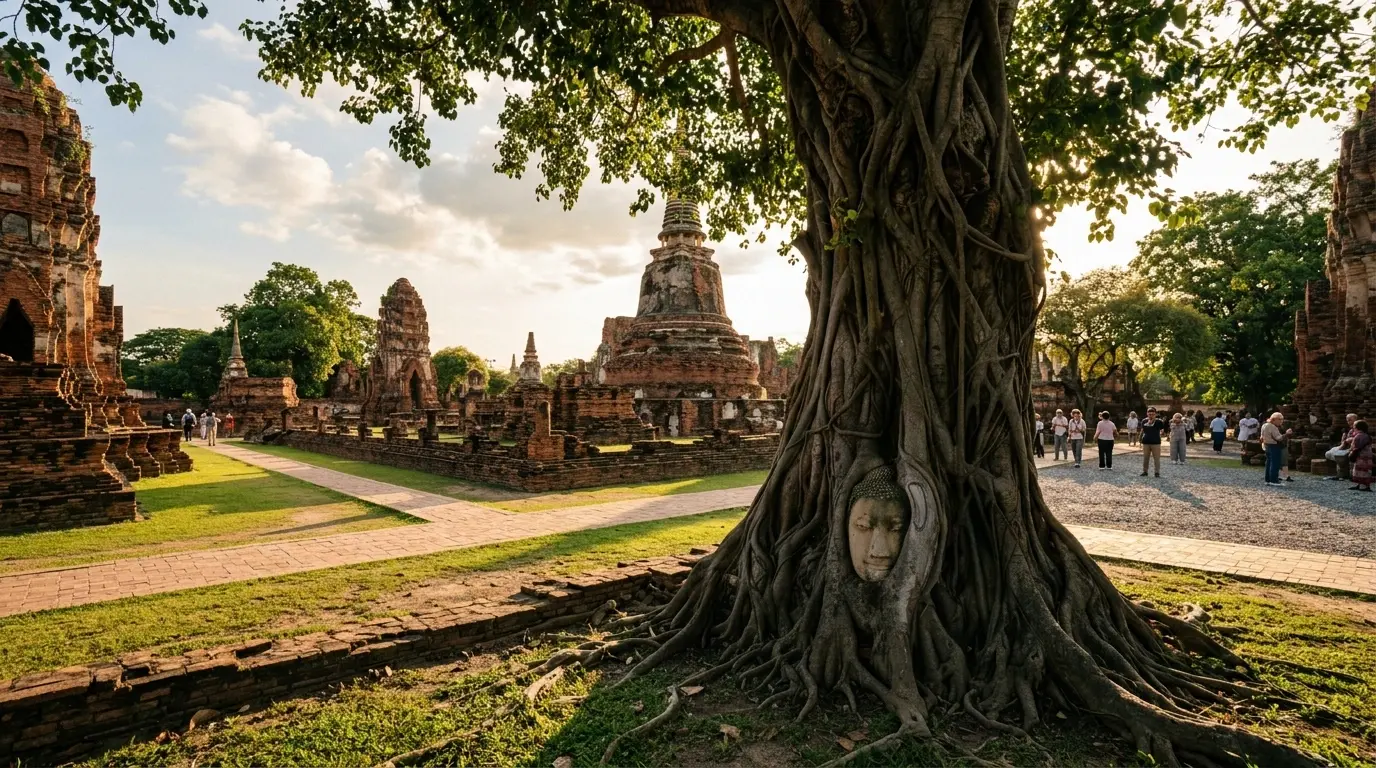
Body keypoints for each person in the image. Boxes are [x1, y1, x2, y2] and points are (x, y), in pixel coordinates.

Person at [1260, 412, 1292, 486]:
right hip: (1274, 446)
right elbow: (1279, 438)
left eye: (1282, 419)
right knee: (1275, 464)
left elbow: (1261, 437)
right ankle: (1274, 480)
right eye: (1280, 419)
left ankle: (1268, 480)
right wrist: (1287, 434)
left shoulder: (1264, 425)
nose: (1281, 421)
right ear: (1274, 419)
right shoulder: (1272, 427)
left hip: (1267, 445)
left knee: (1269, 463)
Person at [1326, 413, 1361, 481]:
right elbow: (1344, 442)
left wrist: (1346, 442)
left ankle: (1342, 474)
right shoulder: (1350, 430)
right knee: (1329, 452)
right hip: (1347, 447)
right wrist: (1344, 440)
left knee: (1338, 455)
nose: (1349, 422)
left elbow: (1354, 441)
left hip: (1354, 449)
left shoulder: (1359, 430)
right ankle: (1341, 473)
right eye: (1347, 420)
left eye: (1350, 420)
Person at [1139, 407, 1165, 478]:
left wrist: (1162, 432)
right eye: (1149, 414)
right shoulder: (1144, 421)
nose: (1150, 415)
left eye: (1152, 414)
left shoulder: (1159, 421)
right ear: (1147, 414)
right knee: (1145, 458)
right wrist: (1140, 438)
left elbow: (1162, 430)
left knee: (1156, 458)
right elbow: (1142, 430)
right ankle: (1145, 471)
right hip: (1146, 441)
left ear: (1155, 414)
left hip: (1156, 442)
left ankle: (1157, 472)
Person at [1349, 420, 1373, 492]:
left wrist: (1352, 453)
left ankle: (1364, 486)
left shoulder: (1361, 436)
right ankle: (1360, 484)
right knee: (1359, 469)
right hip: (1362, 455)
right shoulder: (1363, 435)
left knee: (1363, 470)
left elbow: (1358, 446)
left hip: (1363, 455)